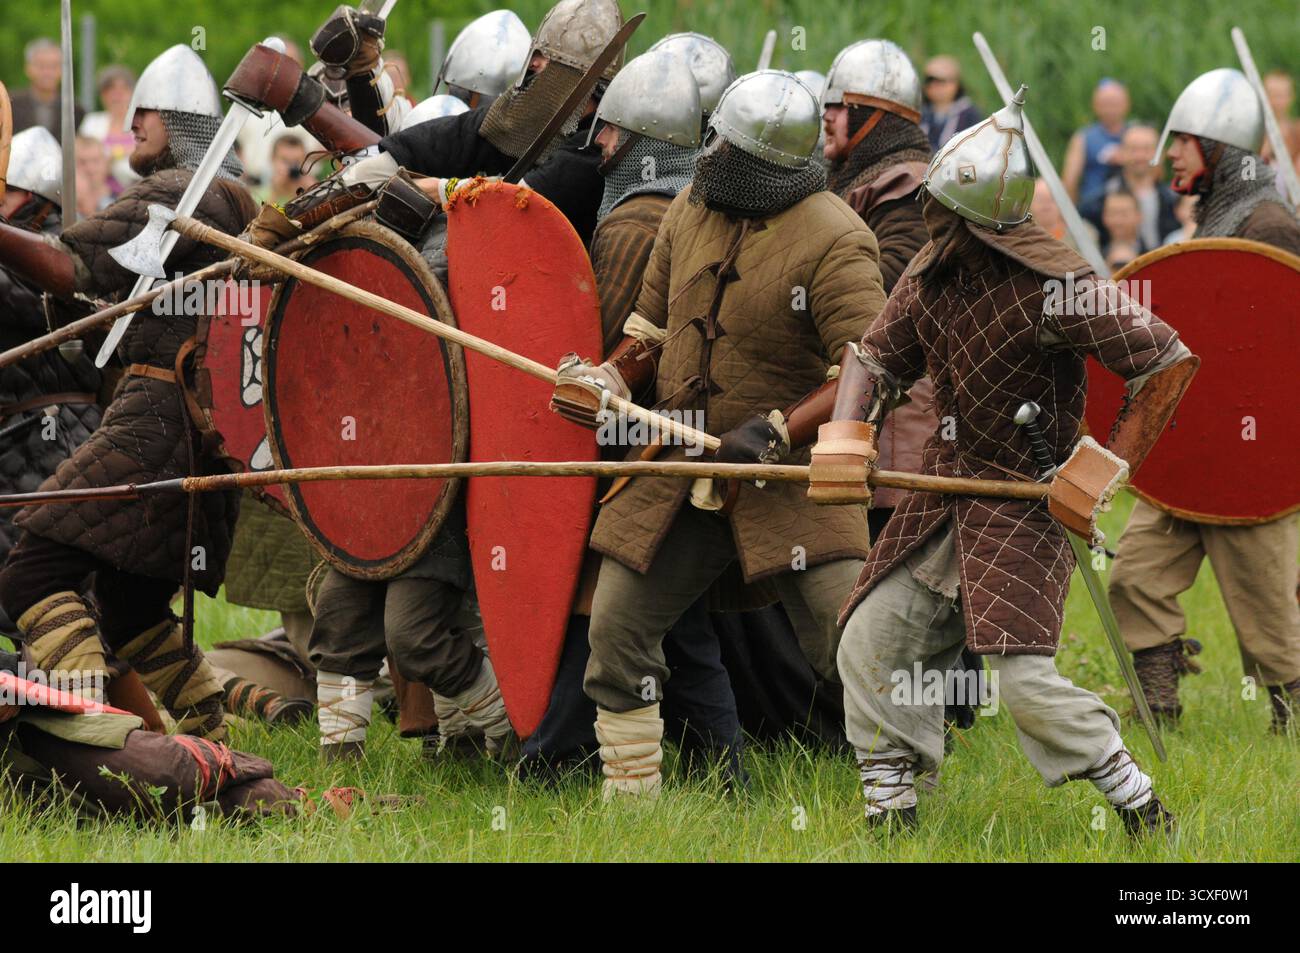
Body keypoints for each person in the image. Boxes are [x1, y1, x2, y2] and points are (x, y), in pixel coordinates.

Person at [816, 87, 1199, 835]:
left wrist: (1099, 469)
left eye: (942, 210)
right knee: (870, 637)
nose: (931, 221)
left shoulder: (1056, 286)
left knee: (1022, 681)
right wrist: (846, 437)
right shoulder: (929, 274)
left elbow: (1166, 359)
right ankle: (891, 808)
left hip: (1024, 503)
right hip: (943, 492)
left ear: (971, 217)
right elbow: (875, 360)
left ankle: (1141, 806)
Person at [551, 69, 888, 799]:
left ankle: (898, 790)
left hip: (793, 478)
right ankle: (633, 801)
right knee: (616, 629)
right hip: (682, 462)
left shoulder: (838, 236)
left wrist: (775, 431)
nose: (709, 158)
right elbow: (651, 329)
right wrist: (611, 379)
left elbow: (865, 369)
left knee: (849, 644)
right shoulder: (687, 210)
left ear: (767, 161)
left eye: (727, 148)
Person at [0, 45, 256, 742]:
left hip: (159, 418)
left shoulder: (183, 191)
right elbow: (85, 291)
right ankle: (210, 735)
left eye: (145, 110)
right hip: (202, 430)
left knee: (32, 571)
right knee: (130, 603)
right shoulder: (235, 200)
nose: (132, 122)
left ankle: (94, 741)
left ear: (178, 121)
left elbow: (67, 263)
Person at [521, 49, 746, 783]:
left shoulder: (630, 227)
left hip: (636, 449)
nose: (601, 146)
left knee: (622, 607)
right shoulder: (705, 218)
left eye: (613, 133)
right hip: (675, 444)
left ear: (644, 142)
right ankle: (716, 766)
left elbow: (608, 345)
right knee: (666, 617)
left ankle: (559, 756)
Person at [1109, 68, 1300, 732]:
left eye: (1184, 143)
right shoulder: (1216, 219)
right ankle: (1157, 703)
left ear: (1220, 148)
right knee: (1136, 575)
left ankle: (1291, 710)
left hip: (1249, 458)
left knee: (1268, 612)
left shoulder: (1270, 224)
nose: (1172, 157)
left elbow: (1277, 350)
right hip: (1191, 447)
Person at [820, 38, 980, 734]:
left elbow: (886, 294)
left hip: (908, 416)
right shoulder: (864, 179)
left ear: (871, 115)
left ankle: (931, 717)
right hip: (886, 409)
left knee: (909, 576)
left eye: (839, 109)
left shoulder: (908, 186)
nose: (827, 121)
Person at [0, 128, 103, 638]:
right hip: (30, 437)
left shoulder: (52, 254)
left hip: (53, 436)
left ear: (35, 198)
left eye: (7, 189)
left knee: (39, 591)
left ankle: (94, 709)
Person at [1082, 124, 1180, 252]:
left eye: (1147, 149)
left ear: (1160, 155)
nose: (1140, 156)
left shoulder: (1174, 200)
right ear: (1121, 152)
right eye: (1133, 149)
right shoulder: (1096, 203)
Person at [1062, 78, 1130, 206]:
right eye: (1105, 103)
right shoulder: (1083, 137)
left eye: (1115, 103)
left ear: (1127, 104)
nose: (1110, 109)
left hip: (1130, 209)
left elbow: (1157, 172)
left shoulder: (1138, 134)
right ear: (1095, 105)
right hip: (1094, 207)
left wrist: (1129, 159)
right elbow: (1070, 180)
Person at [79, 65, 140, 197]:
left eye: (123, 89)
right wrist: (126, 151)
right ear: (102, 95)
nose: (117, 96)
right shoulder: (92, 122)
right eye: (110, 90)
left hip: (137, 189)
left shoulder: (143, 122)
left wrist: (110, 155)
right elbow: (82, 155)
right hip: (97, 192)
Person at [10, 38, 84, 143]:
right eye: (41, 66)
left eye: (54, 66)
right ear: (28, 68)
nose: (48, 72)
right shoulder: (10, 104)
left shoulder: (75, 109)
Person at [919, 55, 981, 152]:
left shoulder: (969, 115)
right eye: (929, 80)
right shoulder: (920, 113)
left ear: (955, 84)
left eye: (940, 80)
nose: (933, 85)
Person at [1261, 70, 1300, 182]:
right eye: (1273, 95)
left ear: (1291, 97)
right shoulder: (1255, 130)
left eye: (1282, 95)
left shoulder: (1295, 131)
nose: (1277, 101)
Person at [258, 134, 316, 205]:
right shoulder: (259, 195)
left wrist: (314, 191)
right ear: (272, 159)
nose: (292, 167)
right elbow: (262, 215)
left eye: (296, 161)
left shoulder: (310, 189)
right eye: (285, 161)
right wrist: (275, 193)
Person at [1099, 189, 1144, 269]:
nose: (1118, 221)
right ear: (1104, 217)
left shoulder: (1154, 256)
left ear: (1138, 216)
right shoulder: (1095, 257)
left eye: (1124, 214)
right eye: (1112, 213)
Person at [74, 135, 113, 217]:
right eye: (82, 162)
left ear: (106, 163)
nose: (90, 169)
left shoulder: (122, 197)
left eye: (95, 161)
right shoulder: (64, 203)